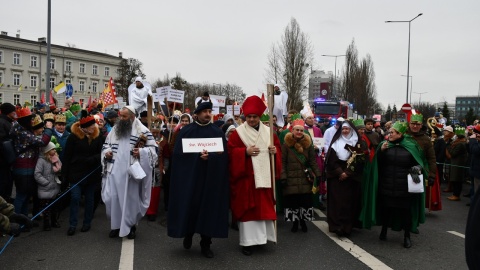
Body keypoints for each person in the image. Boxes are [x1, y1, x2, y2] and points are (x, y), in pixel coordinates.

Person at [167, 102, 229, 258]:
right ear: (198, 114)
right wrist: (195, 157)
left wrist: (212, 157)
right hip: (190, 179)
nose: (208, 114)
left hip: (209, 180)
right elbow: (178, 156)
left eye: (210, 111)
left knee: (207, 209)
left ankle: (205, 243)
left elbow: (224, 157)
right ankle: (188, 234)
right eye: (205, 111)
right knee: (190, 207)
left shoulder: (217, 132)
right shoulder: (186, 131)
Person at [228, 95, 282, 256]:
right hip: (247, 180)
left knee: (262, 211)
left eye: (255, 117)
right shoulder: (238, 133)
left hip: (264, 179)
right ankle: (248, 243)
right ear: (245, 117)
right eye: (249, 117)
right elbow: (230, 153)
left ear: (259, 117)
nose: (251, 119)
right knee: (248, 212)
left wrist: (275, 152)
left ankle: (262, 239)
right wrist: (244, 152)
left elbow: (277, 150)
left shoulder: (269, 131)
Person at [101, 106, 157, 239]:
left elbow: (153, 150)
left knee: (130, 201)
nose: (121, 118)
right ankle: (116, 225)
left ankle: (131, 226)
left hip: (130, 174)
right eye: (120, 115)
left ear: (132, 117)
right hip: (114, 172)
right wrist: (107, 152)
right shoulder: (115, 130)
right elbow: (106, 145)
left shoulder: (142, 131)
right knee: (112, 198)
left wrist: (142, 152)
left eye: (124, 116)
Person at [375, 122, 427, 248]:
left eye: (392, 132)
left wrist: (416, 170)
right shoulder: (385, 145)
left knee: (405, 213)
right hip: (387, 184)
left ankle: (407, 236)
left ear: (400, 134)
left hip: (404, 187)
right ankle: (384, 231)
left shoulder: (411, 146)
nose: (389, 134)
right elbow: (377, 165)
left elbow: (420, 163)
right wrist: (381, 152)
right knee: (386, 210)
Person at [63, 110, 104, 236]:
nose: (93, 128)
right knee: (75, 198)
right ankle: (72, 224)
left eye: (94, 126)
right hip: (76, 173)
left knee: (89, 199)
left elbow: (101, 153)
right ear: (83, 128)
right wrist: (65, 175)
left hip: (92, 174)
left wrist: (93, 159)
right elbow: (67, 156)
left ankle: (87, 223)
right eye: (91, 127)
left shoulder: (98, 137)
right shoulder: (73, 137)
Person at [10, 108, 53, 221]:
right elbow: (42, 142)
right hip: (24, 166)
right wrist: (48, 129)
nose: (32, 121)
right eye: (30, 119)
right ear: (25, 121)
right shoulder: (23, 132)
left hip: (25, 166)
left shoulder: (20, 129)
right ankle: (16, 220)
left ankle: (24, 220)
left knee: (26, 194)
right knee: (22, 195)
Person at [325, 121, 366, 237]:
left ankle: (348, 226)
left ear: (352, 130)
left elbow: (360, 162)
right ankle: (337, 226)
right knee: (337, 202)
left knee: (349, 202)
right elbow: (331, 160)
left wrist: (347, 173)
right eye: (343, 129)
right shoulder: (335, 143)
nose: (345, 131)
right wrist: (340, 172)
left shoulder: (358, 143)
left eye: (347, 129)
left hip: (352, 177)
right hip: (336, 176)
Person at [280, 117, 321, 233]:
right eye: (297, 130)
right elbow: (283, 162)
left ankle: (303, 222)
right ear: (292, 130)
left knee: (304, 202)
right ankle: (294, 223)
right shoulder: (286, 145)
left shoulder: (308, 145)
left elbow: (312, 161)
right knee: (293, 202)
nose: (299, 132)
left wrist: (318, 174)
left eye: (301, 130)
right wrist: (283, 176)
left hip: (304, 177)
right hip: (291, 177)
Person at [34, 142, 62, 231]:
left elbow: (60, 167)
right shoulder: (41, 161)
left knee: (55, 207)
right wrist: (46, 183)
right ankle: (46, 224)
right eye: (52, 149)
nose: (54, 151)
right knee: (46, 208)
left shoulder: (55, 159)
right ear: (47, 151)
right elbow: (37, 174)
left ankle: (54, 221)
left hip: (54, 187)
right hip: (45, 189)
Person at [0, 102, 16, 202]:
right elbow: (2, 141)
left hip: (5, 159)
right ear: (9, 112)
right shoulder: (3, 122)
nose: (15, 113)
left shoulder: (7, 121)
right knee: (4, 182)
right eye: (13, 111)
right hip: (3, 160)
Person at [445, 131, 468, 201]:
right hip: (456, 164)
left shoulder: (461, 145)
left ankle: (456, 195)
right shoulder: (460, 144)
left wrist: (448, 147)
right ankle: (455, 194)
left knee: (457, 181)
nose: (455, 139)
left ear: (459, 138)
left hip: (458, 165)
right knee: (455, 180)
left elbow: (453, 153)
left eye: (456, 137)